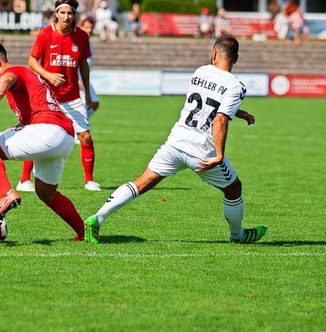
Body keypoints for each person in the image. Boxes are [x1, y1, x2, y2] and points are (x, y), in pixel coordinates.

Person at [84, 35, 267, 244]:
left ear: (214, 54)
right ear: (236, 58)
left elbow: (209, 102)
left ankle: (96, 218)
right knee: (234, 188)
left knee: (142, 182)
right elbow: (220, 118)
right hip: (202, 152)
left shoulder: (200, 71)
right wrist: (219, 155)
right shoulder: (236, 85)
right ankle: (238, 235)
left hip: (176, 142)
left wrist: (240, 113)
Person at [0, 40, 85, 241]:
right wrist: (1, 135)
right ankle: (84, 232)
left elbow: (4, 83)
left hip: (47, 131)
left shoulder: (13, 72)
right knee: (46, 193)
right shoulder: (26, 77)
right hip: (64, 136)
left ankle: (7, 194)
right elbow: (32, 121)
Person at [17, 0, 101, 192]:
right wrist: (49, 75)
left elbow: (83, 66)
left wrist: (87, 93)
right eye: (62, 12)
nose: (66, 16)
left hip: (72, 97)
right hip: (47, 97)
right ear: (56, 14)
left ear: (74, 15)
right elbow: (32, 62)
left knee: (86, 137)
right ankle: (23, 180)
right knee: (37, 137)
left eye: (70, 13)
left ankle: (89, 181)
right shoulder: (46, 34)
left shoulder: (81, 36)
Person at [78, 17, 100, 118]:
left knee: (94, 103)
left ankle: (79, 125)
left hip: (84, 79)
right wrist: (77, 80)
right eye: (86, 28)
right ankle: (78, 127)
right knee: (85, 105)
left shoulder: (88, 43)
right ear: (80, 27)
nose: (89, 30)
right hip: (78, 80)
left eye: (91, 28)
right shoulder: (78, 43)